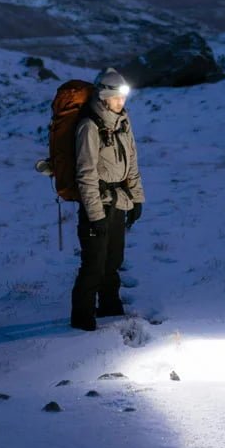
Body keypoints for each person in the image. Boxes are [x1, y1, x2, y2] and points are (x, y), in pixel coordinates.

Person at [70, 68, 145, 331]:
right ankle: (82, 320)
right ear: (104, 97)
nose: (121, 101)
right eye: (116, 97)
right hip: (97, 204)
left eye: (123, 97)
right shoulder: (89, 126)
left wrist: (137, 198)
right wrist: (95, 216)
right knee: (93, 264)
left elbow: (132, 161)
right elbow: (85, 174)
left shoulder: (123, 121)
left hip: (119, 201)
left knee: (113, 261)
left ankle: (110, 309)